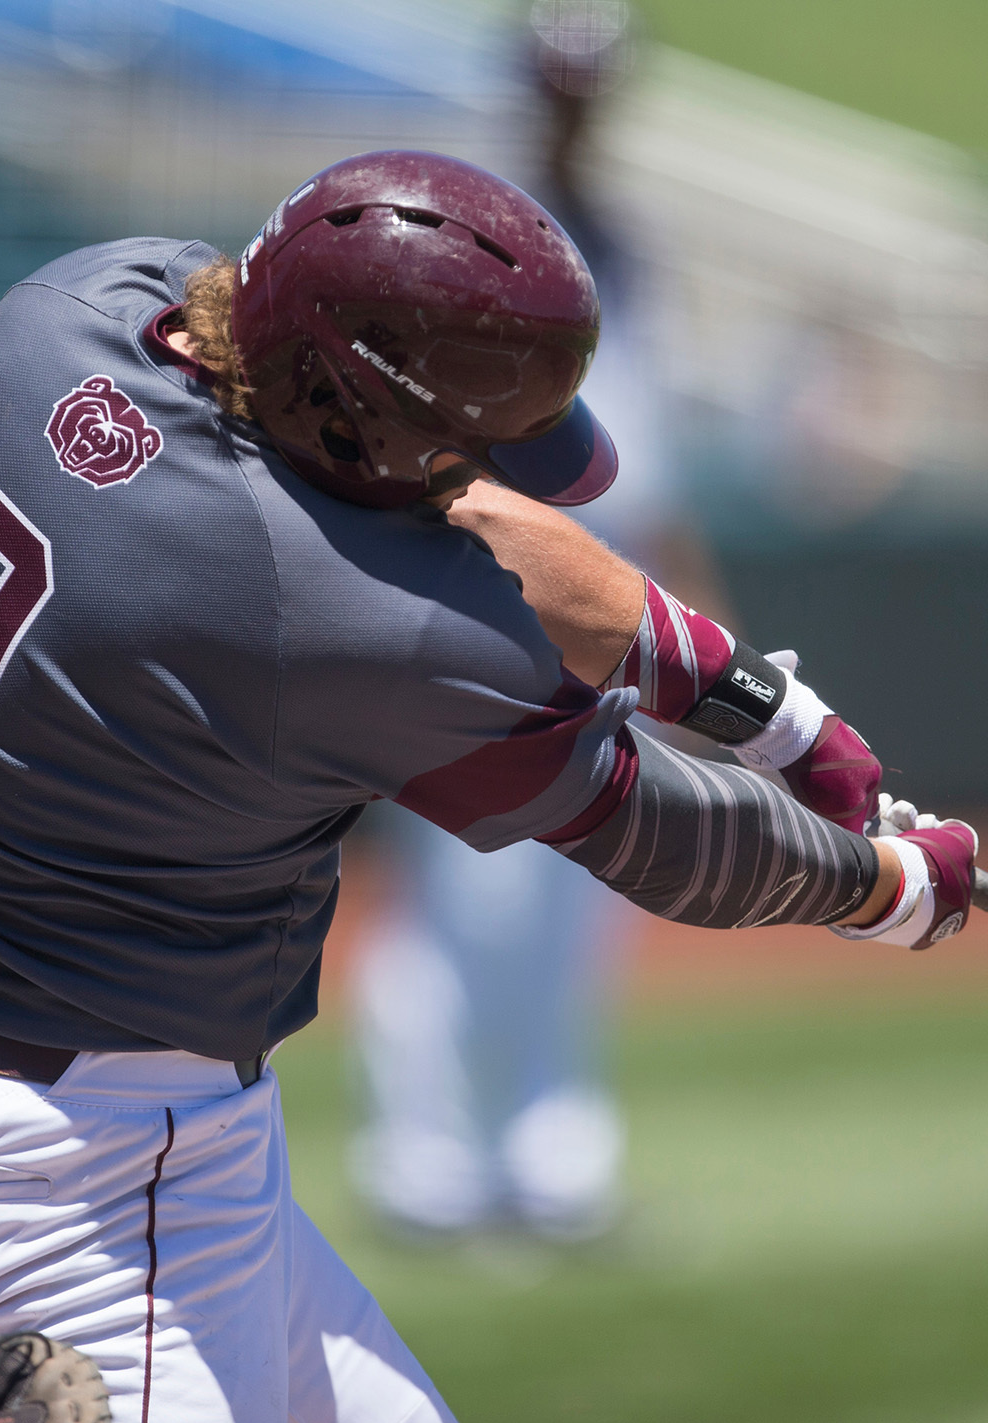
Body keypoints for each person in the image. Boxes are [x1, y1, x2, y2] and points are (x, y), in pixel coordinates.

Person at [0, 149, 976, 1423]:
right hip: (78, 1179)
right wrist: (884, 888)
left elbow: (459, 511)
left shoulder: (73, 306)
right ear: (362, 424)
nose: (486, 471)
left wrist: (762, 707)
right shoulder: (345, 621)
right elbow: (666, 837)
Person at [347, 0, 694, 1245]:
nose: (579, 103)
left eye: (593, 85)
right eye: (563, 84)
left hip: (613, 577)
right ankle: (426, 1164)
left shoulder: (626, 240)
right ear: (531, 87)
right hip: (484, 575)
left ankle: (553, 1163)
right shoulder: (469, 226)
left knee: (583, 883)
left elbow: (657, 454)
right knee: (468, 883)